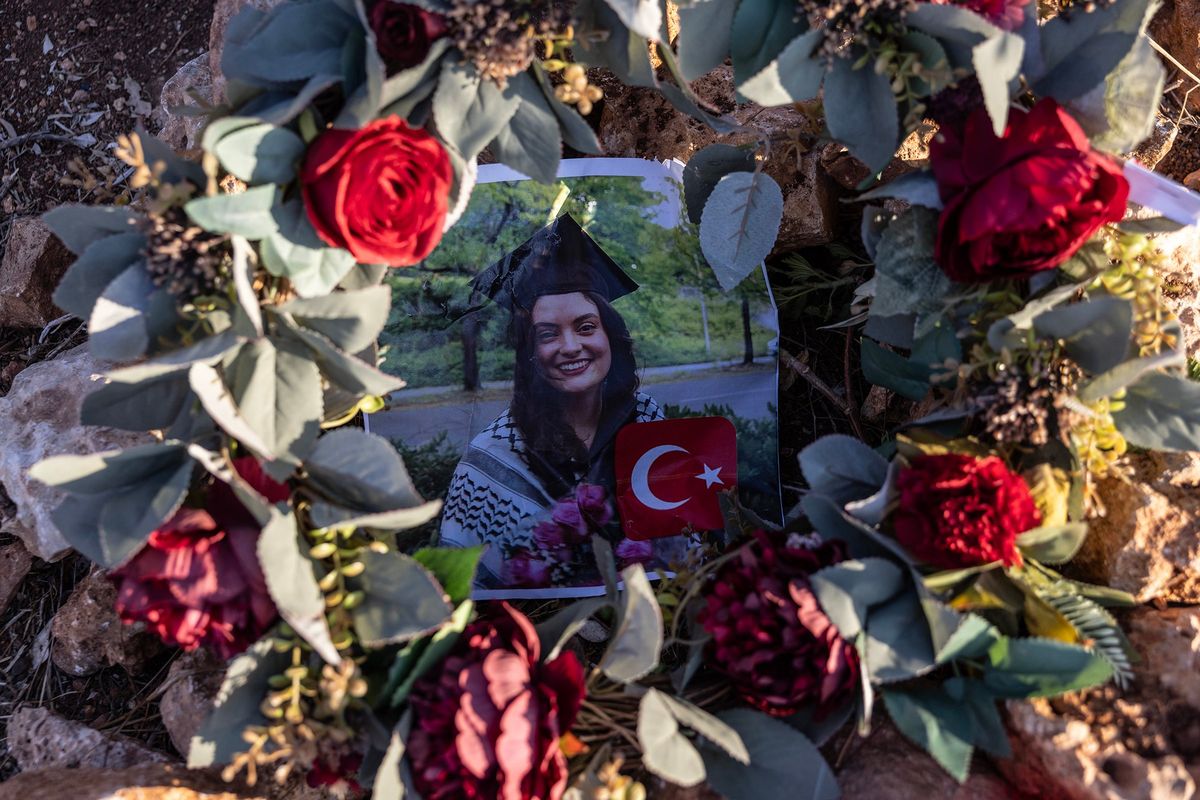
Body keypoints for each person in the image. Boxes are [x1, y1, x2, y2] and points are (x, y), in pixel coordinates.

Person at [439, 214, 665, 587]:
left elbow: (684, 539)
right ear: (529, 351)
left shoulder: (648, 418)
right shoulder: (487, 463)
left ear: (611, 335)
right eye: (547, 334)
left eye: (586, 326)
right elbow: (464, 587)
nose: (571, 347)